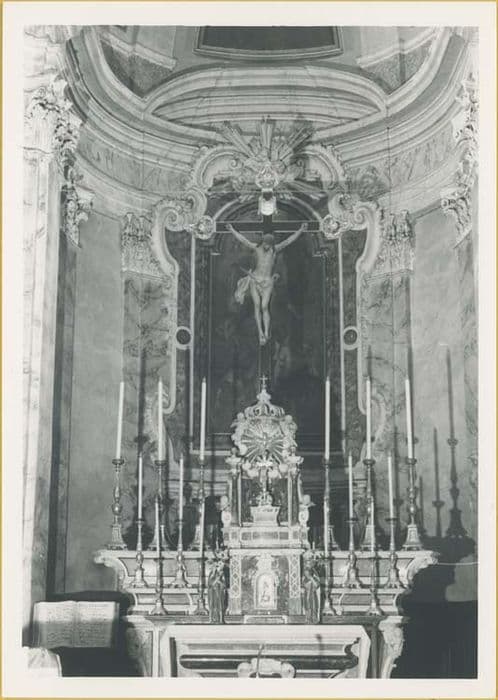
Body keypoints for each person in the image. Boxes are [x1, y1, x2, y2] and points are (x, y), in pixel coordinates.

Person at [228, 222, 307, 345]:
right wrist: (232, 230)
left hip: (267, 282)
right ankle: (260, 332)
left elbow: (288, 241)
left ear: (271, 244)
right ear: (262, 242)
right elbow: (243, 240)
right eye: (265, 244)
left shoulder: (275, 250)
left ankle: (266, 332)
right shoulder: (256, 248)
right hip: (255, 280)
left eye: (269, 244)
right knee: (257, 306)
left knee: (265, 307)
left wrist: (300, 230)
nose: (266, 246)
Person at [207, 559, 226, 624]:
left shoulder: (222, 574)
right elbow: (210, 584)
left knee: (220, 605)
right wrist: (216, 580)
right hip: (212, 592)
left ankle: (221, 620)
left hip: (220, 592)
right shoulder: (211, 574)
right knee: (212, 605)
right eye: (215, 566)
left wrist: (219, 581)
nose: (216, 567)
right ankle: (211, 619)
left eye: (216, 566)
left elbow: (224, 585)